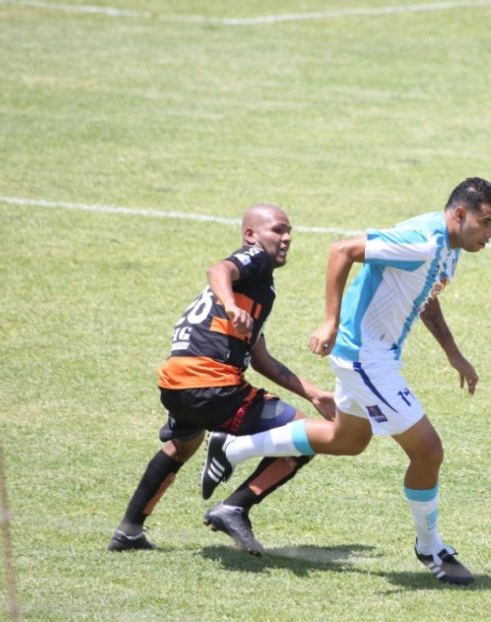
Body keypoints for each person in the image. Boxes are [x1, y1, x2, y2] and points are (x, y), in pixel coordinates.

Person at [201, 177, 491, 585]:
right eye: (485, 223)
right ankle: (430, 547)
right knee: (428, 452)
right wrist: (329, 321)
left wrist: (453, 353)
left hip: (376, 356)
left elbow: (426, 296)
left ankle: (234, 447)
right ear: (460, 214)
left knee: (347, 440)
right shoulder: (423, 240)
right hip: (364, 357)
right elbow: (342, 250)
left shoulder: (448, 250)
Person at [108, 204, 335, 555]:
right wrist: (230, 305)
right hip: (211, 384)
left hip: (176, 383)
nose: (286, 238)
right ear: (251, 236)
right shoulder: (254, 261)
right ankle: (235, 506)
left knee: (182, 445)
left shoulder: (255, 293)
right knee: (307, 435)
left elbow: (261, 360)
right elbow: (219, 269)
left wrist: (314, 393)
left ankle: (129, 530)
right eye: (277, 230)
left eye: (289, 231)